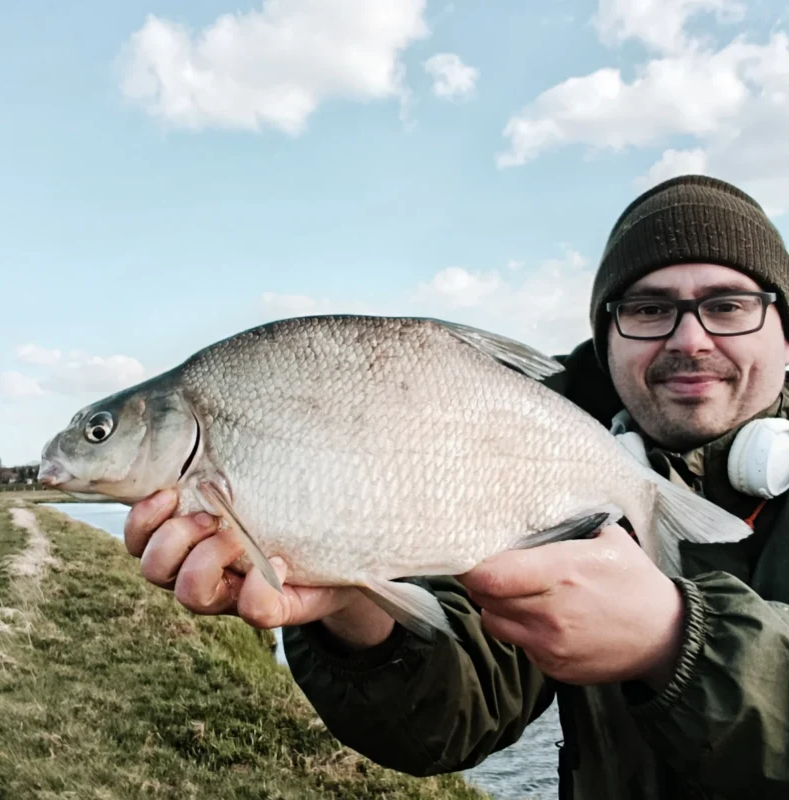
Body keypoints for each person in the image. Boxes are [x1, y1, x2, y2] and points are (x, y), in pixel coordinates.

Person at [123, 175, 789, 799]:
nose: (690, 339)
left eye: (728, 306)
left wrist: (673, 642)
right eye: (648, 308)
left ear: (786, 331)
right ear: (607, 336)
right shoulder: (546, 466)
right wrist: (355, 607)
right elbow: (453, 719)